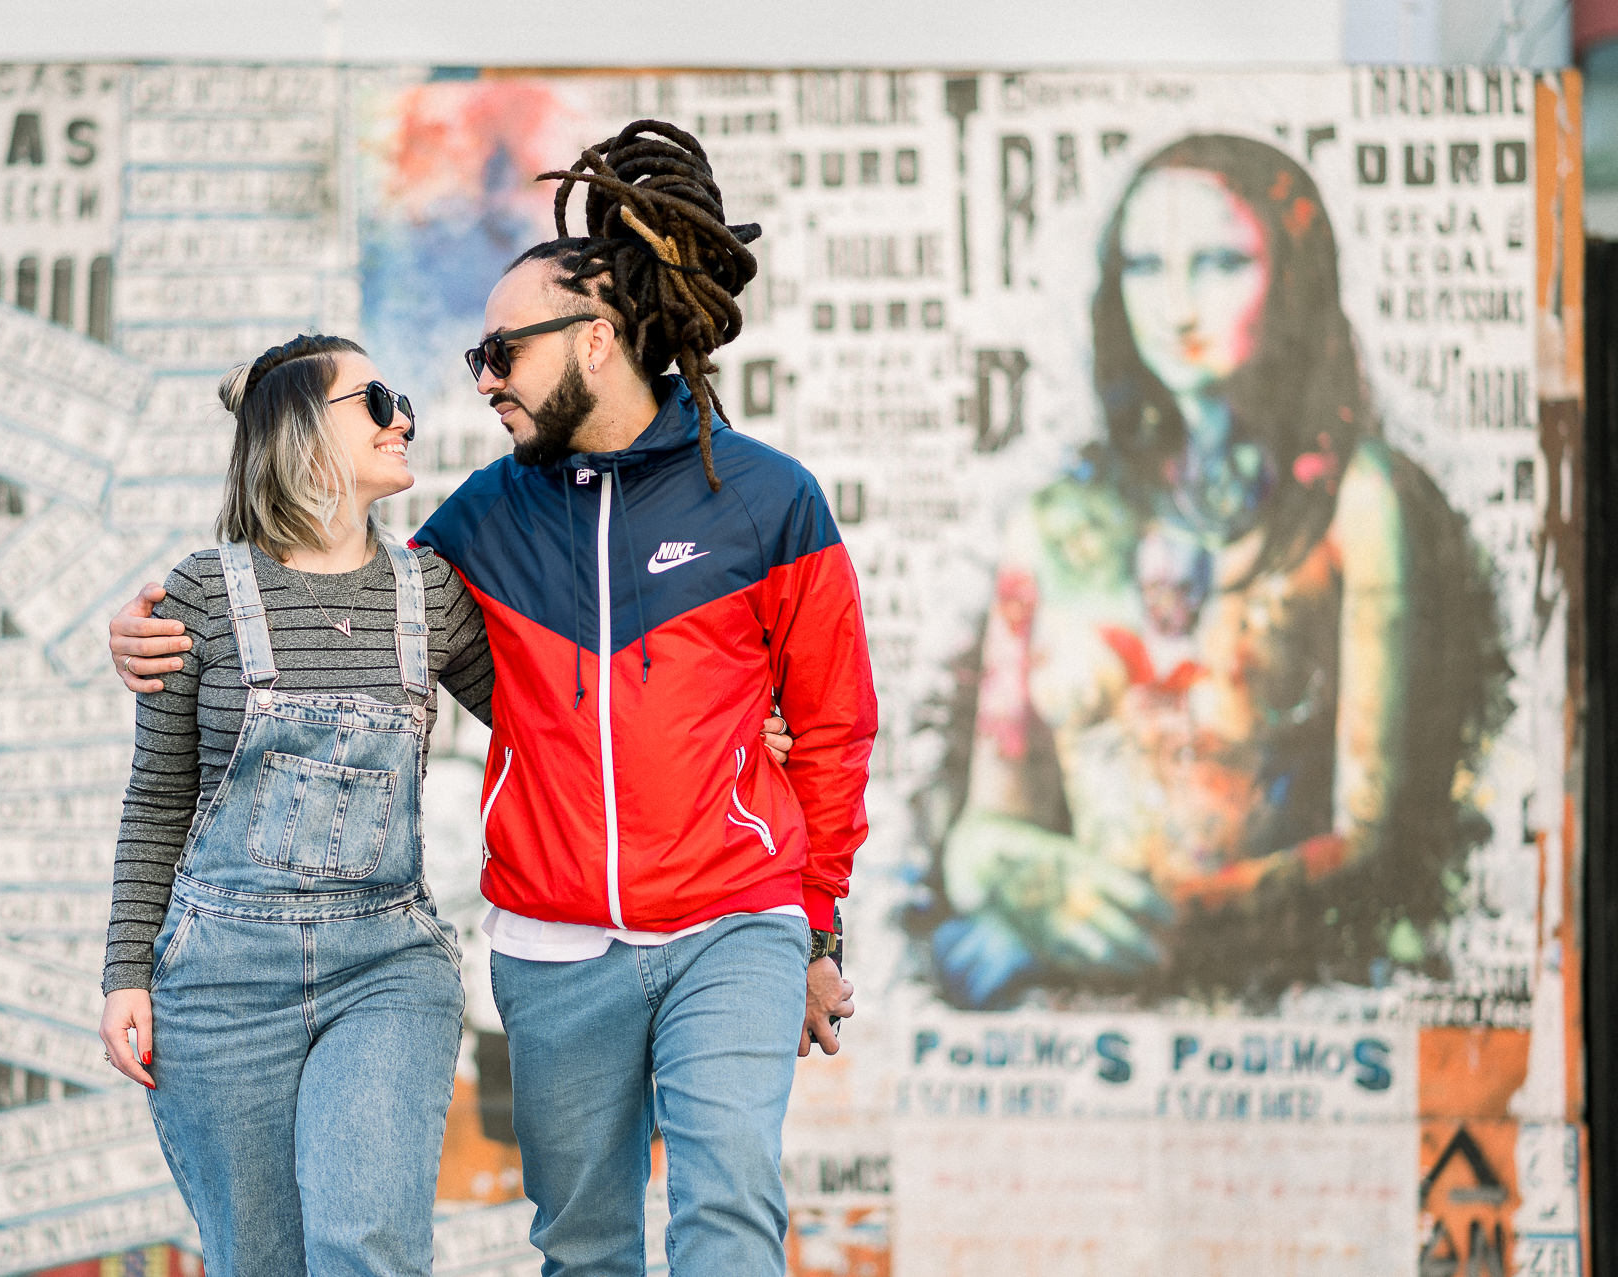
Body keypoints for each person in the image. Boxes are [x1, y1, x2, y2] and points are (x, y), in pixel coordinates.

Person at [112, 120, 877, 1275]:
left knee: (729, 1204)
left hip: (735, 915)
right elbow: (339, 608)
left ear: (598, 340)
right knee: (584, 1241)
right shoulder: (475, 521)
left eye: (502, 353)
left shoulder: (772, 500)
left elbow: (834, 726)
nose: (481, 380)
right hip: (551, 945)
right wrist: (152, 635)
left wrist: (815, 927)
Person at [921, 134, 1507, 1010]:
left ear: (1295, 277)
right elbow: (983, 831)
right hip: (1075, 1009)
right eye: (1144, 266)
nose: (1176, 307)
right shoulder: (1053, 525)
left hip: (1281, 999)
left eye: (1222, 262)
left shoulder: (1357, 501)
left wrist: (1159, 919)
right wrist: (1031, 881)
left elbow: (1371, 841)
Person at [97, 334, 497, 1276]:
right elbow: (158, 797)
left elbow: (556, 726)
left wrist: (732, 725)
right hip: (219, 983)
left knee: (366, 1245)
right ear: (301, 432)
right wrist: (124, 973)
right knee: (259, 1261)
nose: (403, 418)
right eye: (377, 400)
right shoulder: (201, 593)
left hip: (385, 966)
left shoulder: (428, 594)